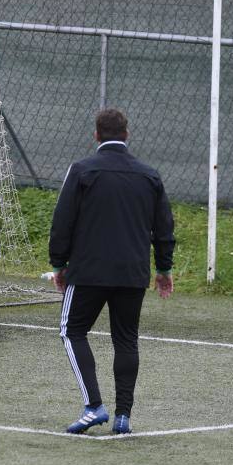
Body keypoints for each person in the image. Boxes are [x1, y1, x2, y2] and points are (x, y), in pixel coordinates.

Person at [49, 108, 175, 435]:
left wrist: (58, 264)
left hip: (88, 271)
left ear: (96, 135)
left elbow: (62, 222)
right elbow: (164, 228)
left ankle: (94, 406)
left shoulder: (82, 171)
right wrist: (163, 268)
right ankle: (123, 417)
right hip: (132, 274)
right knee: (126, 339)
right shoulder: (149, 175)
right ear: (127, 135)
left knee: (72, 331)